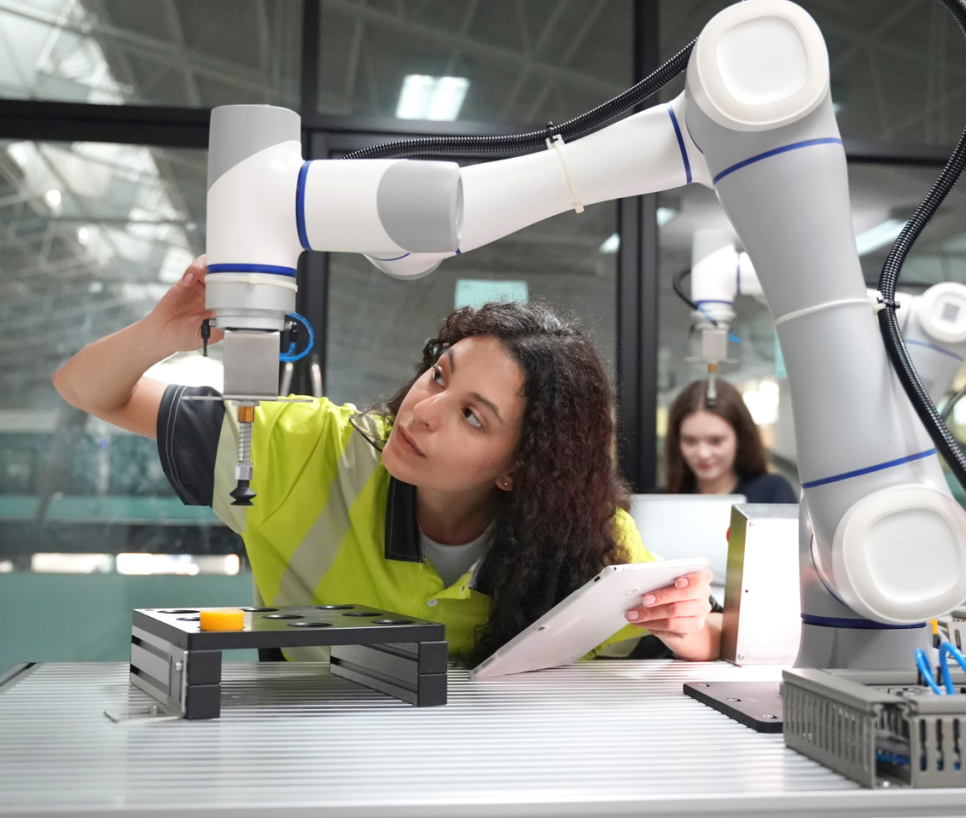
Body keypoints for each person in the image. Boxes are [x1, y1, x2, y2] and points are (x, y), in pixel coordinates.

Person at [54, 256, 719, 666]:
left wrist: (693, 629)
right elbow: (86, 390)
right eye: (439, 375)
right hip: (304, 761)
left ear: (520, 469)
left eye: (472, 416)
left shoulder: (582, 539)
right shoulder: (308, 448)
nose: (423, 410)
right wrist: (160, 334)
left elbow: (705, 635)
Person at [664, 378, 797, 503]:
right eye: (690, 441)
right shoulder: (665, 501)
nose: (703, 453)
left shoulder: (771, 492)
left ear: (740, 437)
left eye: (716, 441)